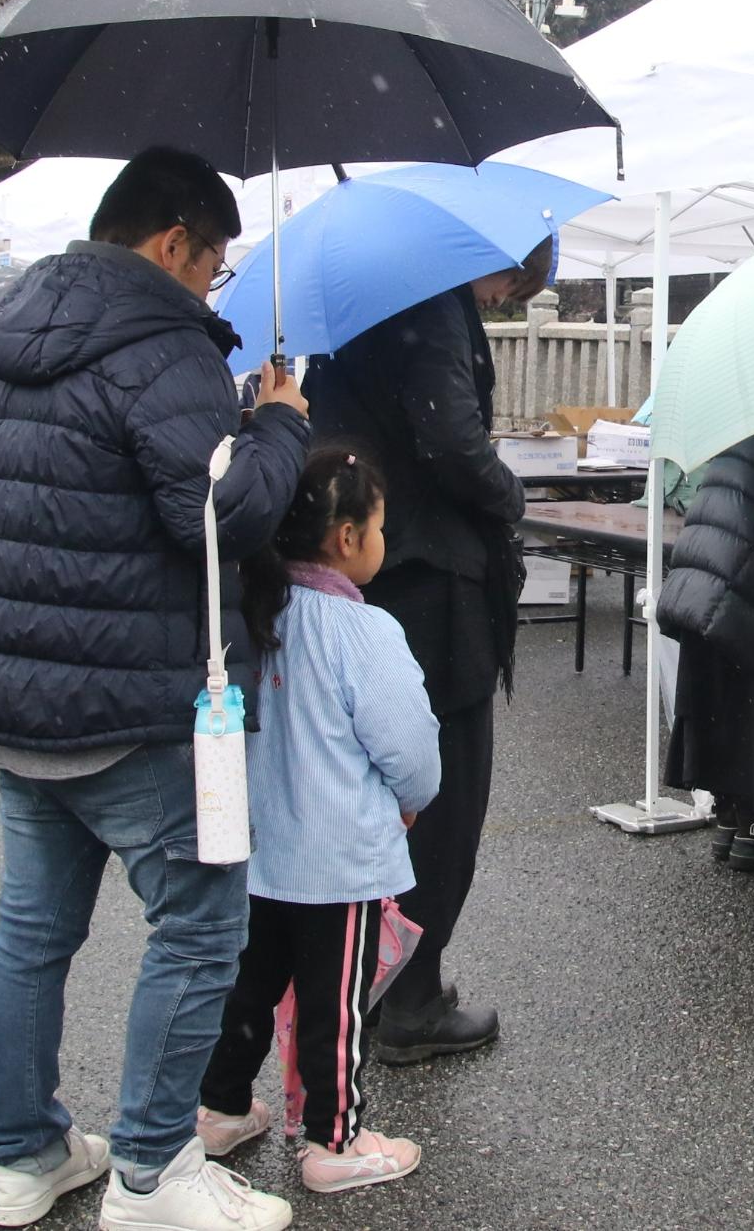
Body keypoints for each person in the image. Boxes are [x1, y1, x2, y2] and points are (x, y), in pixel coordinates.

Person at [0, 147, 308, 1230]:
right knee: (198, 928)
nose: (212, 286)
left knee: (31, 930)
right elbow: (224, 516)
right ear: (172, 242)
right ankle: (152, 1170)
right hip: (142, 705)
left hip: (16, 699)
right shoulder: (164, 349)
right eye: (215, 264)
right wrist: (277, 424)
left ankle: (27, 1156)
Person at [301, 236, 547, 1061]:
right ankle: (411, 995)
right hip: (430, 574)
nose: (498, 300)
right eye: (509, 283)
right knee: (443, 793)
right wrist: (510, 493)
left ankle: (363, 980)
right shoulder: (432, 305)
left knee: (367, 789)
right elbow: (450, 440)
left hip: (359, 562)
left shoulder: (359, 298)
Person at [197, 448, 439, 1195]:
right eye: (377, 527)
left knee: (249, 985)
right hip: (339, 858)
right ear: (344, 538)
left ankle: (219, 1106)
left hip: (257, 848)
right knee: (335, 1005)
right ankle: (335, 1139)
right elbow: (410, 748)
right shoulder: (363, 632)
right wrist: (410, 800)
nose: (381, 541)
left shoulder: (247, 614)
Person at [657, 429, 754, 870]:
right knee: (753, 695)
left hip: (709, 562)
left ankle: (732, 818)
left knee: (718, 691)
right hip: (741, 568)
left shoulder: (749, 422)